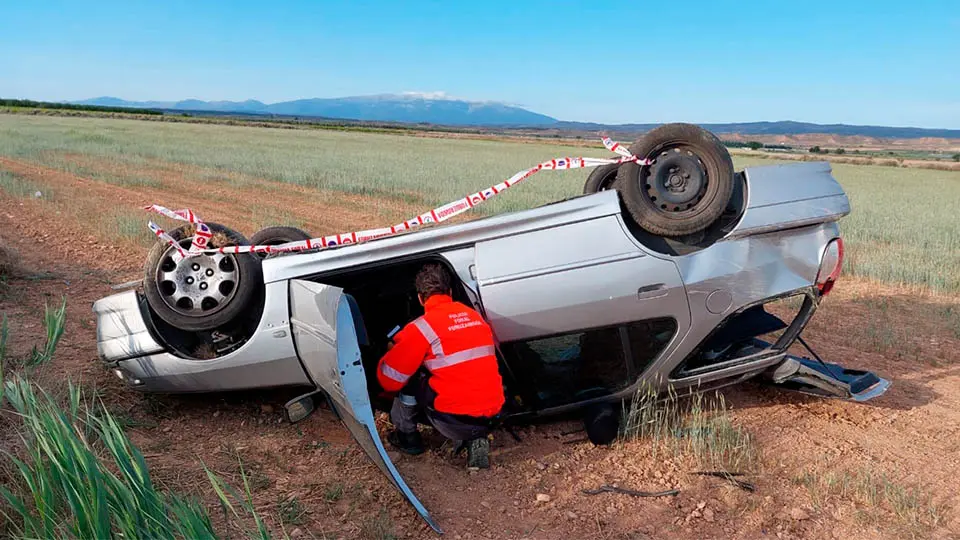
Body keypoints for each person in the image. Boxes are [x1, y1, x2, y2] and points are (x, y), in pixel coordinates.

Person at [376, 263, 505, 469]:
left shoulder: (421, 327)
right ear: (450, 292)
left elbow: (390, 380)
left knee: (411, 378)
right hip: (493, 415)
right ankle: (476, 438)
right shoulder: (476, 316)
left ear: (420, 298)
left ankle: (407, 437)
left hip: (452, 422)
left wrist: (391, 351)